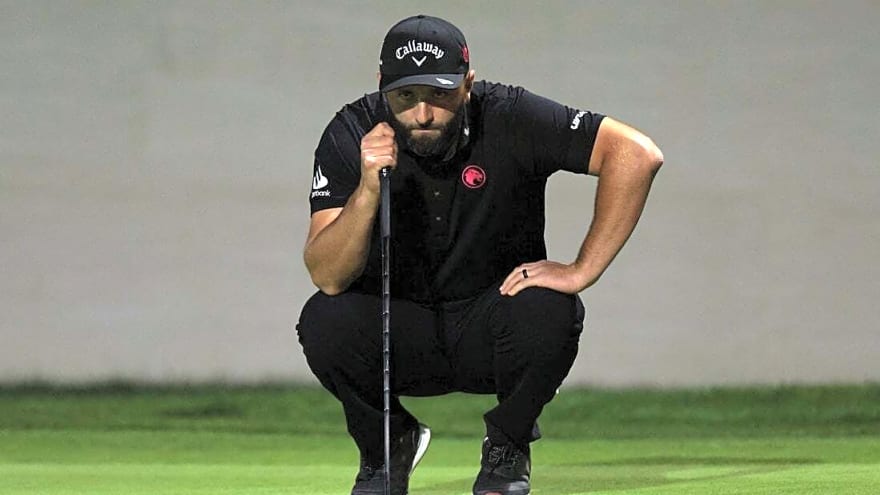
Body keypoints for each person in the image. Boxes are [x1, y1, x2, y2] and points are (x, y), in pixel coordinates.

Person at [297, 14, 663, 495]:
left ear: (467, 85)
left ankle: (508, 448)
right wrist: (367, 190)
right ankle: (387, 445)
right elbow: (327, 274)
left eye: (440, 96)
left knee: (551, 308)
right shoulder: (352, 131)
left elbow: (636, 154)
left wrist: (582, 269)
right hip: (400, 332)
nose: (423, 114)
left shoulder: (510, 114)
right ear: (383, 87)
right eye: (406, 97)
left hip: (492, 325)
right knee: (325, 319)